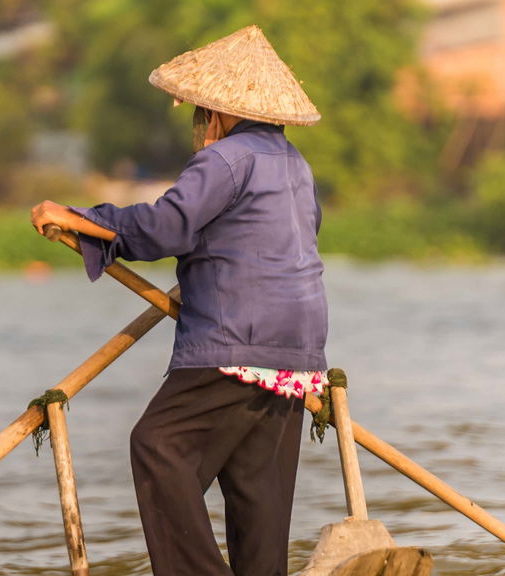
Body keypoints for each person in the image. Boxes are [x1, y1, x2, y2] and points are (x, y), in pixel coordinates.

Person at [28, 25, 327, 576]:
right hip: (299, 355)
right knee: (256, 491)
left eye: (197, 112)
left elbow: (164, 228)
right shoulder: (294, 165)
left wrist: (84, 220)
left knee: (158, 446)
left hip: (237, 342)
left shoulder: (226, 159)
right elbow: (273, 240)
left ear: (215, 113)